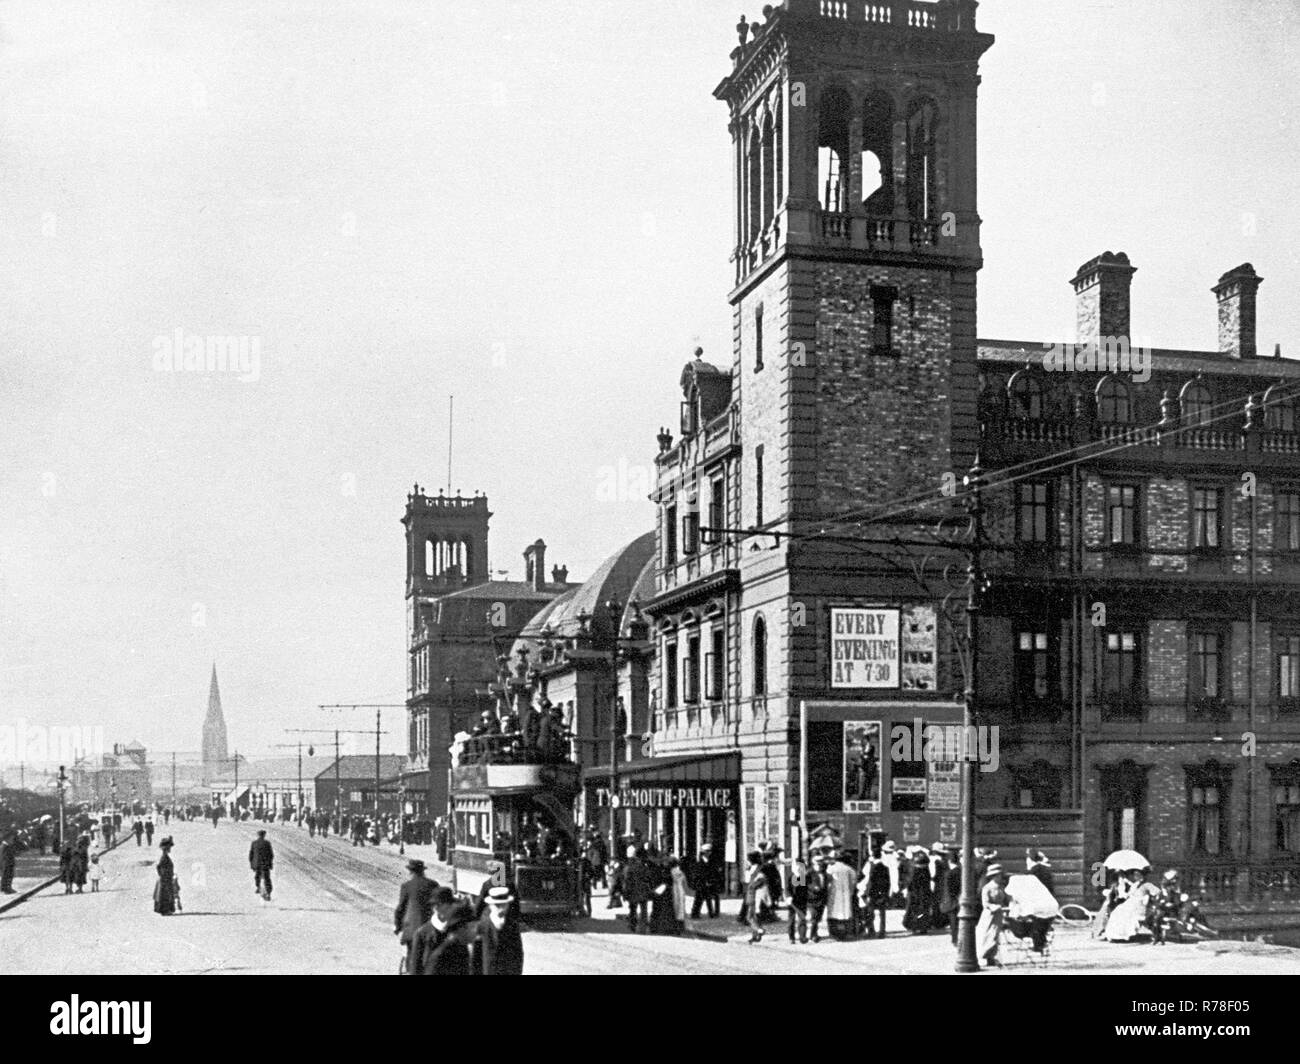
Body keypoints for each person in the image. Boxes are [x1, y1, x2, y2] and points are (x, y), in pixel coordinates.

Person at [412, 888, 476, 975]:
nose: (436, 908)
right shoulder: (422, 933)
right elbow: (415, 968)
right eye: (434, 905)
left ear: (450, 905)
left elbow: (464, 963)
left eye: (440, 904)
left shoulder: (459, 929)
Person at [394, 859, 438, 974]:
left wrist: (397, 927)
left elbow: (400, 909)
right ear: (423, 871)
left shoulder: (407, 886)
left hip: (412, 930)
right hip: (430, 928)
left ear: (411, 872)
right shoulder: (433, 885)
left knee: (412, 958)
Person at [474, 887, 524, 975]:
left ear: (508, 905)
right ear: (490, 905)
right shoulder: (483, 924)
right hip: (489, 970)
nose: (501, 909)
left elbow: (518, 953)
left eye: (504, 905)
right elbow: (476, 953)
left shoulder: (512, 924)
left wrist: (517, 971)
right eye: (497, 905)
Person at [976, 864, 1009, 968]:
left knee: (995, 936)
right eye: (999, 875)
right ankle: (984, 956)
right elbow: (985, 904)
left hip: (998, 916)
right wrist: (995, 907)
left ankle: (991, 957)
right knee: (988, 936)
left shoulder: (1001, 887)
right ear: (994, 876)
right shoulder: (987, 888)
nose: (1000, 877)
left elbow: (1006, 899)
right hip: (989, 916)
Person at [826, 851, 857, 940]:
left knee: (833, 913)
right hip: (846, 893)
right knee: (845, 913)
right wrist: (851, 891)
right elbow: (854, 882)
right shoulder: (849, 869)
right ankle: (846, 933)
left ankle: (834, 933)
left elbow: (827, 881)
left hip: (834, 893)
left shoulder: (831, 869)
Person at [861, 849, 892, 939]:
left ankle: (871, 931)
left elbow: (871, 882)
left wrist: (867, 893)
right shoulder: (885, 867)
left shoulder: (872, 867)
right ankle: (882, 931)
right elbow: (888, 882)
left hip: (873, 893)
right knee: (882, 913)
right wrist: (886, 894)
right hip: (882, 893)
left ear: (873, 856)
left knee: (870, 913)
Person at [903, 846, 934, 935]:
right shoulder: (925, 866)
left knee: (913, 909)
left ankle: (914, 927)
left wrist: (907, 888)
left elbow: (910, 881)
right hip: (925, 891)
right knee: (924, 909)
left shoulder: (913, 866)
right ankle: (923, 927)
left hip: (914, 892)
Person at [623, 846, 653, 934]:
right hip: (643, 890)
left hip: (632, 891)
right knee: (643, 910)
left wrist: (625, 892)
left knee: (633, 909)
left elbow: (626, 881)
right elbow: (648, 878)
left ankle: (633, 925)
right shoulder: (643, 867)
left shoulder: (628, 868)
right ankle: (642, 928)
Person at [690, 843, 722, 918]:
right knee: (699, 899)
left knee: (709, 898)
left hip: (710, 882)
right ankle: (695, 914)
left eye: (710, 851)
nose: (709, 853)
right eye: (708, 851)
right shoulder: (699, 862)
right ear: (704, 852)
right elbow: (698, 873)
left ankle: (712, 913)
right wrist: (703, 881)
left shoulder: (711, 861)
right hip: (701, 883)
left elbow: (713, 871)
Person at [743, 851, 767, 943]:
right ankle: (755, 936)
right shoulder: (753, 868)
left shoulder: (759, 869)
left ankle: (759, 930)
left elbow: (760, 880)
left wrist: (752, 886)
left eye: (748, 859)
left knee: (749, 917)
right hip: (751, 894)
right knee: (755, 917)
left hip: (755, 895)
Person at [787, 853, 810, 944]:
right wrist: (788, 896)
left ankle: (802, 937)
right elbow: (787, 888)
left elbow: (807, 889)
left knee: (802, 919)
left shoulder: (805, 877)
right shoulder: (791, 876)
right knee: (791, 920)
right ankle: (791, 937)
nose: (798, 868)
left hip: (802, 901)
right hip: (792, 901)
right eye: (796, 866)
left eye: (800, 866)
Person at [154, 837, 177, 915]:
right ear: (166, 848)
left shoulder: (165, 856)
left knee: (166, 894)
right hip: (165, 879)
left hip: (166, 878)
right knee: (165, 895)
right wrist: (164, 876)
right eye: (169, 847)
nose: (170, 849)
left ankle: (167, 910)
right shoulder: (164, 857)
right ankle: (165, 910)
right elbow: (159, 867)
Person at [249, 829, 274, 901]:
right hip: (265, 864)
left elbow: (251, 854)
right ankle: (268, 893)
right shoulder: (267, 843)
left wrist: (252, 864)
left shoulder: (254, 843)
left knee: (257, 876)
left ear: (258, 835)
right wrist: (270, 863)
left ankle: (258, 887)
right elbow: (271, 854)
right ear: (264, 835)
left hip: (257, 864)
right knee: (267, 878)